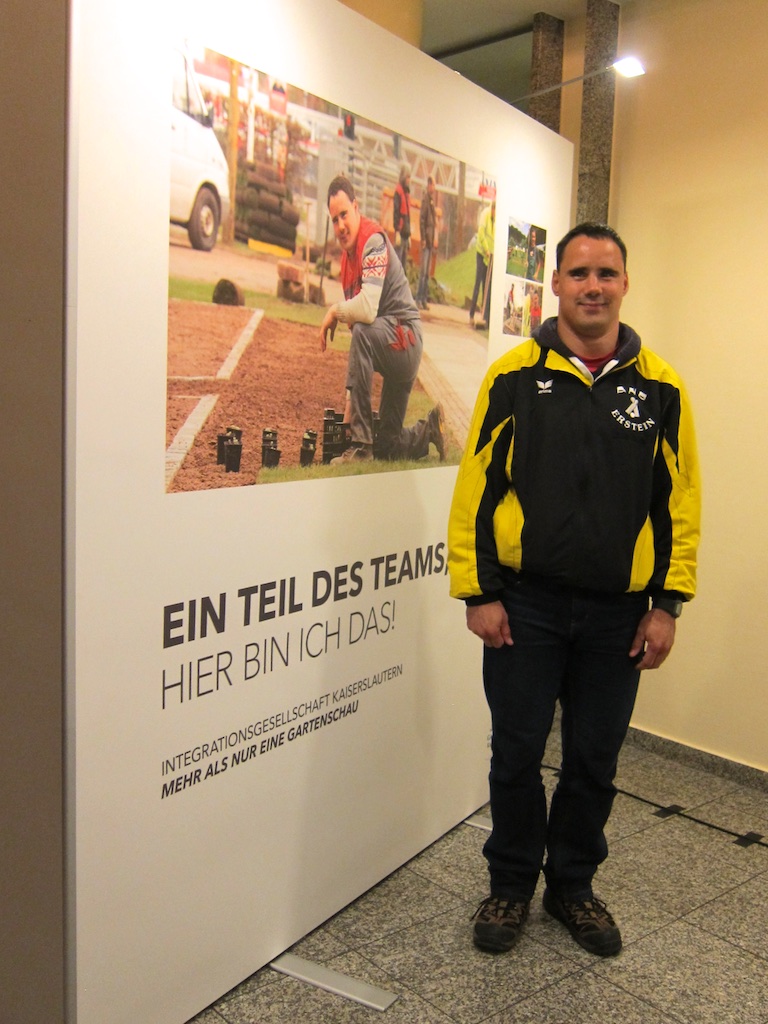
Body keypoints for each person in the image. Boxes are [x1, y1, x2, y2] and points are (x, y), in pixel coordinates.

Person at [447, 223, 701, 958]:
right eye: (580, 273)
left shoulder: (662, 387)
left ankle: (573, 887)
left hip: (618, 615)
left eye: (606, 274)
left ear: (625, 285)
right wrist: (479, 592)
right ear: (554, 283)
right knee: (516, 753)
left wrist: (667, 604)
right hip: (524, 606)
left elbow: (680, 501)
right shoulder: (513, 377)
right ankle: (511, 883)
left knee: (594, 759)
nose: (593, 286)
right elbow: (476, 488)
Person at [319, 174, 445, 464]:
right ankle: (429, 429)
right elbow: (359, 339)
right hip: (392, 343)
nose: (340, 226)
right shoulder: (347, 264)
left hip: (405, 340)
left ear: (356, 207)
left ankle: (361, 448)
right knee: (388, 446)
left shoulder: (373, 241)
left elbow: (366, 311)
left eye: (344, 215)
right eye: (334, 220)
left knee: (362, 332)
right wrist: (349, 409)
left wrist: (333, 311)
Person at [469, 201, 495, 327]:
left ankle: (485, 316)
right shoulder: (485, 214)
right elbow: (481, 234)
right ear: (493, 209)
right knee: (478, 283)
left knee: (487, 285)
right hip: (481, 253)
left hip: (489, 257)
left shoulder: (496, 220)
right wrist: (486, 249)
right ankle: (471, 314)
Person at [416, 176, 437, 310]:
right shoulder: (425, 200)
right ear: (429, 185)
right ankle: (419, 298)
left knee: (427, 273)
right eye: (433, 185)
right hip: (426, 241)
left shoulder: (431, 201)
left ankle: (423, 299)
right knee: (423, 272)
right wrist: (423, 238)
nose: (434, 188)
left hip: (430, 241)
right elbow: (422, 220)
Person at [392, 164, 412, 268]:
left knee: (403, 265)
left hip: (405, 233)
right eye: (408, 177)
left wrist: (409, 235)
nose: (409, 180)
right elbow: (396, 212)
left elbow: (408, 215)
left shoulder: (406, 193)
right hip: (400, 232)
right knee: (397, 264)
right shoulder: (398, 192)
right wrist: (397, 231)